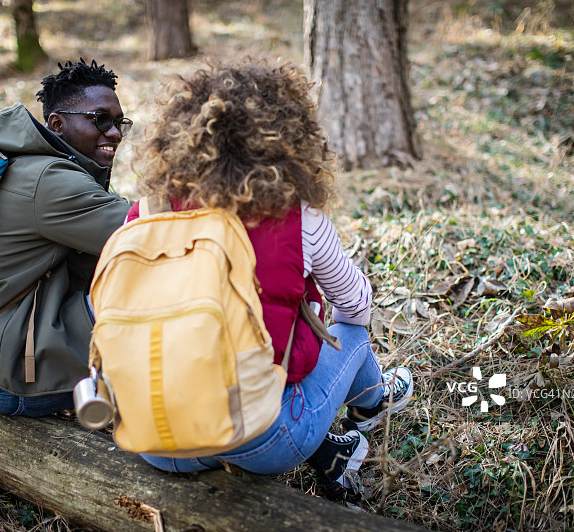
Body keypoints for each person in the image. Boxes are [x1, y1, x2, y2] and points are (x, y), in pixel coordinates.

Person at [126, 58, 415, 500]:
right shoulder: (298, 220)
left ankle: (355, 423)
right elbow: (356, 305)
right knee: (351, 331)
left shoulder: (149, 210)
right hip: (263, 442)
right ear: (290, 138)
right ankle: (374, 402)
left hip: (154, 436)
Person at [0, 58, 132, 416]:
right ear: (57, 123)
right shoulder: (49, 180)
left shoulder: (25, 161)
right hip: (16, 379)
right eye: (100, 119)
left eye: (119, 122)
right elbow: (149, 231)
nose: (114, 132)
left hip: (0, 356)